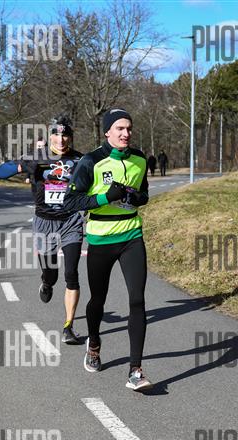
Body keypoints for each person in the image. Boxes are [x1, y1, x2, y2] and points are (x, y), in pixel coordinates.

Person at [63, 108, 151, 391]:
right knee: (97, 299)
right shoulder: (91, 161)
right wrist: (104, 197)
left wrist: (136, 197)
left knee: (137, 300)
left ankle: (135, 370)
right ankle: (94, 344)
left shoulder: (139, 159)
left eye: (129, 128)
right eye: (120, 128)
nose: (126, 133)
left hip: (131, 235)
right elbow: (70, 202)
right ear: (107, 132)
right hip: (100, 239)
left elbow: (144, 194)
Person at [0, 116, 84, 344]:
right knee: (51, 273)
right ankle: (46, 282)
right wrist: (22, 166)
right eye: (56, 135)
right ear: (50, 136)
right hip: (45, 222)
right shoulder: (36, 157)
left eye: (65, 135)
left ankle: (68, 326)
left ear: (70, 137)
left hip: (71, 221)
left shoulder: (79, 159)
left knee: (71, 273)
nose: (61, 140)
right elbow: (0, 172)